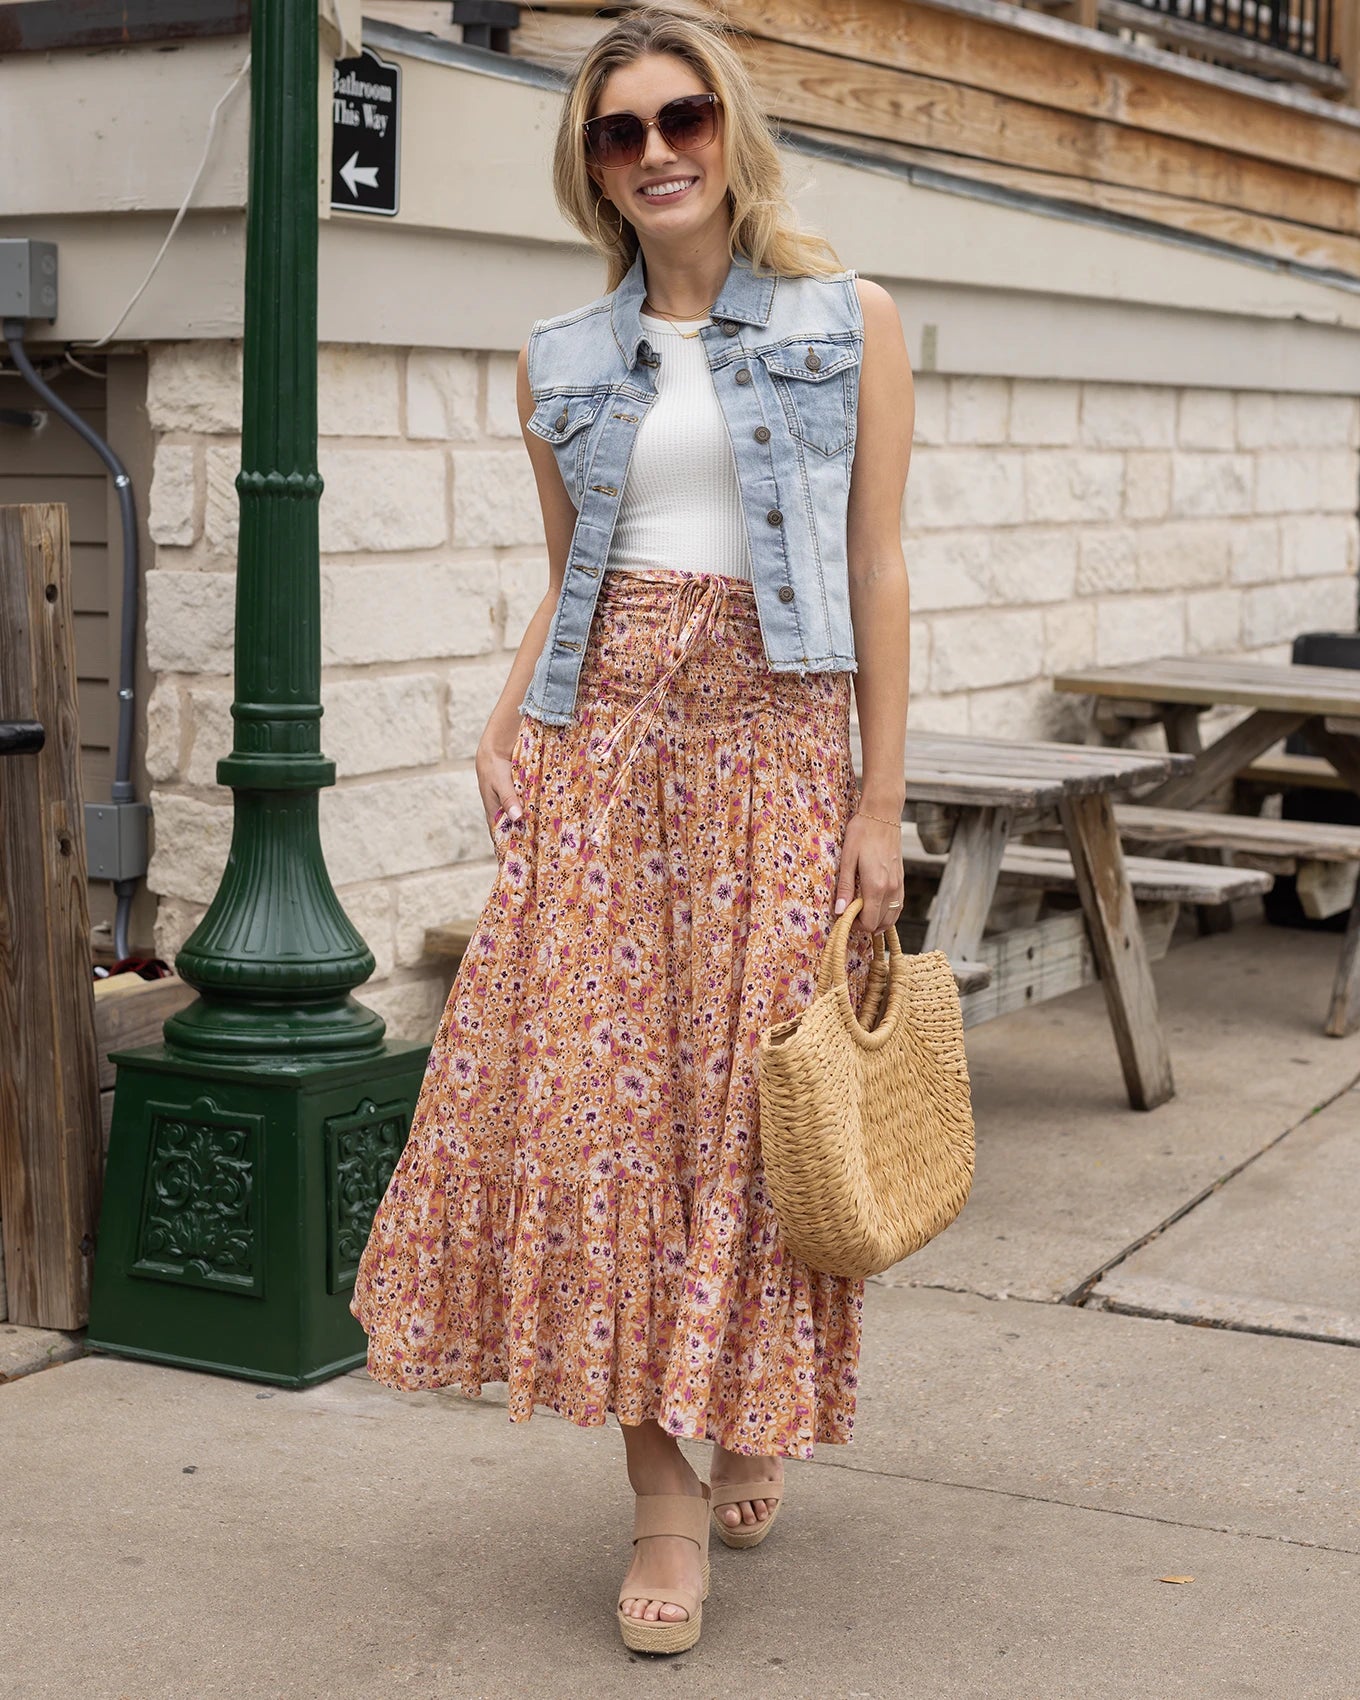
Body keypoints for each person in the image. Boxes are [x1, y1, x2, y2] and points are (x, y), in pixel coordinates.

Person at [349, 0, 913, 1656]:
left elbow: (875, 566)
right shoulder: (562, 358)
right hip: (605, 767)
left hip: (780, 749)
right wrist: (509, 710)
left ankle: (754, 1399)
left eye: (682, 120)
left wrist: (880, 800)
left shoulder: (846, 315)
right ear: (591, 167)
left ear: (729, 133)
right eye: (621, 132)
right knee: (607, 1116)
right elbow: (571, 574)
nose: (657, 151)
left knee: (755, 1115)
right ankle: (663, 1495)